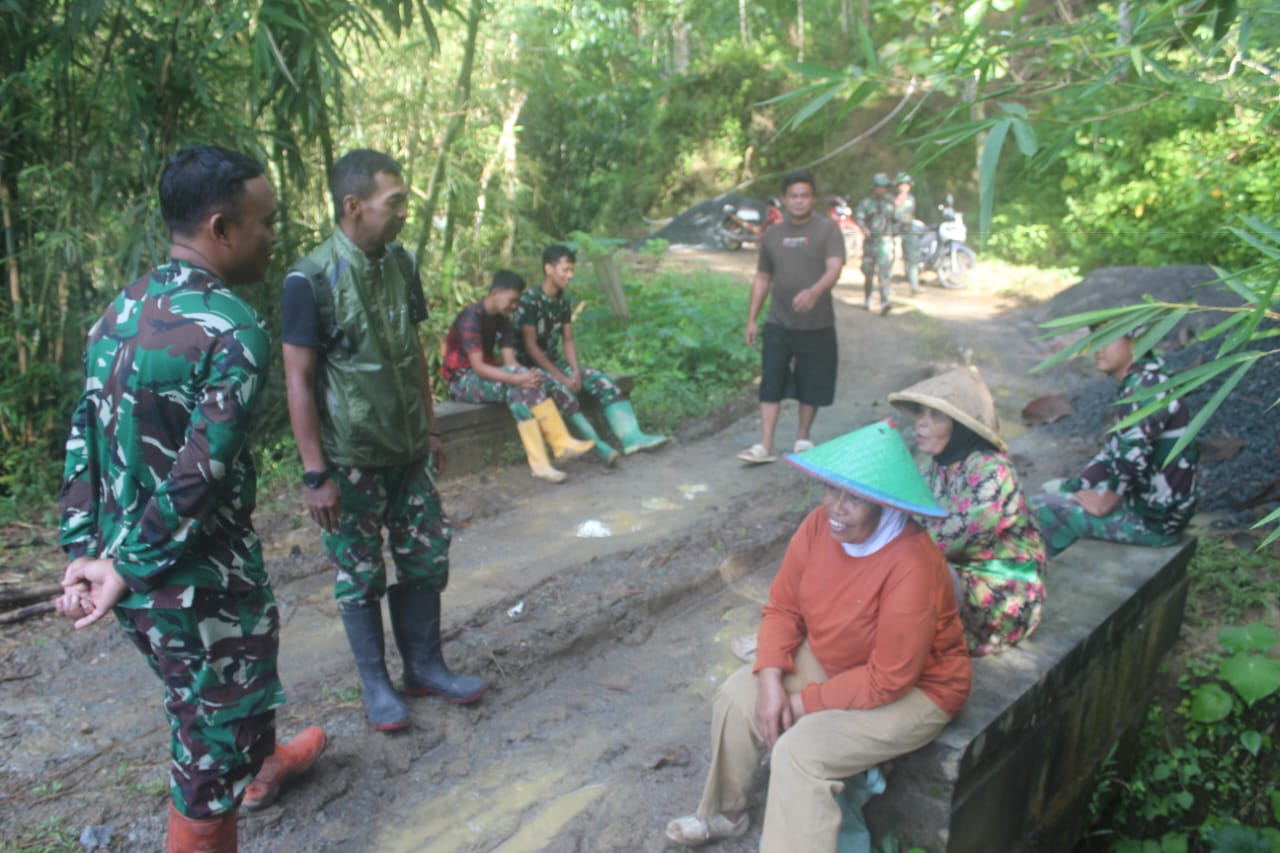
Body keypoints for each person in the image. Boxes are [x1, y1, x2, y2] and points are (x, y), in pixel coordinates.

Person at [55, 144, 325, 851]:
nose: (275, 235)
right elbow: (200, 471)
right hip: (193, 584)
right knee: (205, 747)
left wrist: (84, 550)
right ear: (220, 227)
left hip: (136, 574)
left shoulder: (119, 310)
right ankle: (228, 785)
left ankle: (263, 760)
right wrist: (124, 564)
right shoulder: (232, 328)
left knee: (229, 699)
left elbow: (82, 432)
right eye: (265, 222)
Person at [666, 422, 972, 851]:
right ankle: (728, 813)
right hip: (836, 659)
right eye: (832, 490)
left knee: (801, 751)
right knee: (739, 695)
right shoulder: (817, 527)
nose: (836, 507)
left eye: (855, 499)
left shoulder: (912, 564)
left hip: (920, 688)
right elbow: (783, 608)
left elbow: (888, 679)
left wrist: (800, 704)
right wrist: (771, 680)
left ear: (886, 506)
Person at [281, 148, 486, 732]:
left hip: (409, 449)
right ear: (354, 206)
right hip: (351, 459)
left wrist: (429, 427)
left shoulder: (401, 262)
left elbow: (413, 351)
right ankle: (377, 682)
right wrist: (315, 472)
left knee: (425, 559)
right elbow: (298, 378)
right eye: (393, 202)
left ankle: (425, 665)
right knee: (360, 571)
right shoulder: (310, 277)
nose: (403, 212)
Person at [888, 366, 1046, 655]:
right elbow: (906, 512)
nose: (921, 425)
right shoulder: (935, 466)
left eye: (936, 416)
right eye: (921, 414)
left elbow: (939, 542)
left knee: (915, 571)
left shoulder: (992, 473)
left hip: (1003, 598)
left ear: (961, 427)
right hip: (961, 576)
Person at [1031, 327, 1199, 555]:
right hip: (1145, 504)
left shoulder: (1144, 388)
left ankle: (1048, 580)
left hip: (1153, 523)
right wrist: (1077, 486)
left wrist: (1103, 504)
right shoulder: (1145, 378)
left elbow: (1130, 458)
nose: (1098, 350)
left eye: (1107, 340)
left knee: (1039, 510)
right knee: (1052, 491)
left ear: (1135, 342)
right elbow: (1113, 453)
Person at [515, 244, 667, 460]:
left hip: (554, 362)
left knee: (601, 380)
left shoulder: (564, 300)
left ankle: (632, 438)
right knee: (561, 390)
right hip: (529, 368)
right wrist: (563, 378)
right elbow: (531, 348)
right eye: (565, 270)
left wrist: (575, 372)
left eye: (572, 270)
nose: (570, 275)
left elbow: (567, 339)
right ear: (549, 269)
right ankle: (599, 448)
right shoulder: (530, 301)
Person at [737, 169, 846, 465]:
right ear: (785, 199)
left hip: (817, 322)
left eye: (805, 196)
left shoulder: (827, 231)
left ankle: (802, 437)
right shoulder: (773, 234)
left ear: (813, 198)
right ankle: (765, 445)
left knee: (812, 380)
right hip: (778, 322)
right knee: (770, 381)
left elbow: (834, 268)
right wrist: (751, 319)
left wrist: (815, 292)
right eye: (793, 196)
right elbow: (762, 277)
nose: (799, 201)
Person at [442, 269, 592, 482]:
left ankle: (545, 460)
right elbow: (477, 367)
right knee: (520, 381)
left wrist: (525, 377)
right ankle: (557, 444)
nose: (514, 307)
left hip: (489, 376)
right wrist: (517, 377)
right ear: (495, 292)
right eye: (512, 301)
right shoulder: (471, 318)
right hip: (462, 381)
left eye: (517, 302)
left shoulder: (503, 322)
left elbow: (510, 363)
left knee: (531, 381)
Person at [854, 172, 896, 315]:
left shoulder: (891, 203)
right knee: (868, 272)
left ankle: (885, 301)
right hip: (870, 243)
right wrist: (864, 228)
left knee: (884, 273)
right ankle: (867, 299)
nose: (881, 190)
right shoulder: (866, 203)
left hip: (885, 243)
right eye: (878, 187)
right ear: (874, 188)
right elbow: (859, 217)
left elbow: (898, 219)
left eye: (884, 187)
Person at [892, 172, 920, 294]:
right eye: (901, 184)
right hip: (895, 231)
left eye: (906, 185)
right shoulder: (892, 199)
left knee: (912, 259)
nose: (903, 187)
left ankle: (914, 286)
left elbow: (902, 213)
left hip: (908, 231)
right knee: (890, 259)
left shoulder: (910, 200)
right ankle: (887, 288)